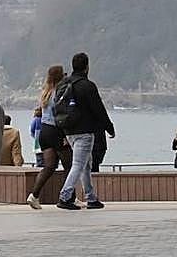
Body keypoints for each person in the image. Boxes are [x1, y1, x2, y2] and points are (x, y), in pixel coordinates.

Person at [56, 52, 115, 211]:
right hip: (84, 131)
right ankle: (65, 196)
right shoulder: (87, 86)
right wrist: (109, 127)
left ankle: (91, 197)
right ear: (87, 67)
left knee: (86, 164)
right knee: (79, 164)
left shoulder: (64, 84)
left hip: (68, 130)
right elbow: (98, 109)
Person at [27, 65, 72, 209]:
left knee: (49, 166)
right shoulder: (58, 93)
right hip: (55, 131)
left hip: (44, 131)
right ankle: (68, 197)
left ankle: (34, 195)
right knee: (69, 166)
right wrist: (66, 134)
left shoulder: (45, 92)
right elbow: (60, 115)